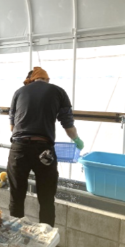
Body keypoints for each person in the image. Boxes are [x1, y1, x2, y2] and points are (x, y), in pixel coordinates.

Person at [8, 66, 84, 227]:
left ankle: (15, 237)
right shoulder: (58, 92)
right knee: (46, 198)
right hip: (44, 151)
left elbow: (12, 127)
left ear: (31, 79)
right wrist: (77, 139)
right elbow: (68, 125)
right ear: (47, 79)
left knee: (16, 196)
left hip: (18, 149)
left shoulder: (19, 92)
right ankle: (46, 238)